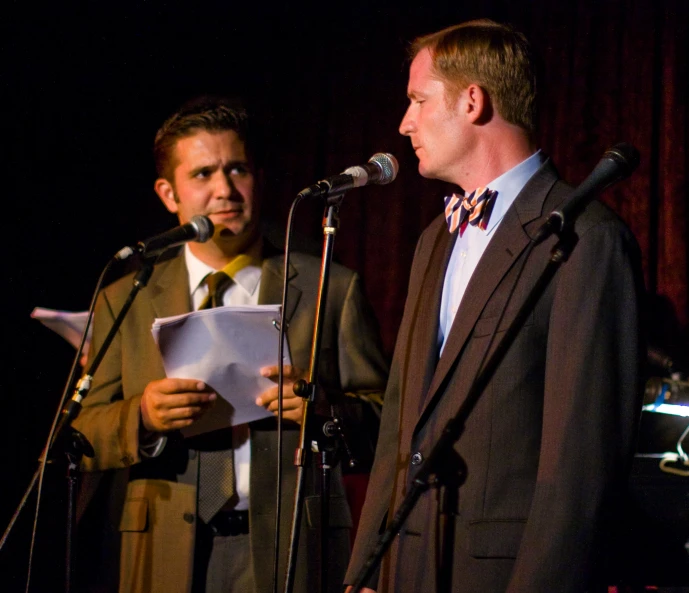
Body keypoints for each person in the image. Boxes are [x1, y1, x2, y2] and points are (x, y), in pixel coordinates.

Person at [346, 19, 645, 593]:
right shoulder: (435, 238)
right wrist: (366, 571)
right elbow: (398, 431)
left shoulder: (586, 237)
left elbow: (580, 468)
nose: (404, 122)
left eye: (417, 100)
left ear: (473, 101)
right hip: (407, 571)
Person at [73, 96, 388, 593]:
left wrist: (321, 408)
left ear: (258, 175)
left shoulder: (330, 285)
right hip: (162, 551)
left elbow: (385, 422)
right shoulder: (126, 296)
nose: (225, 189)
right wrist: (143, 417)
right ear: (167, 193)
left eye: (236, 169)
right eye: (202, 174)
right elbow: (80, 435)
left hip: (288, 550)